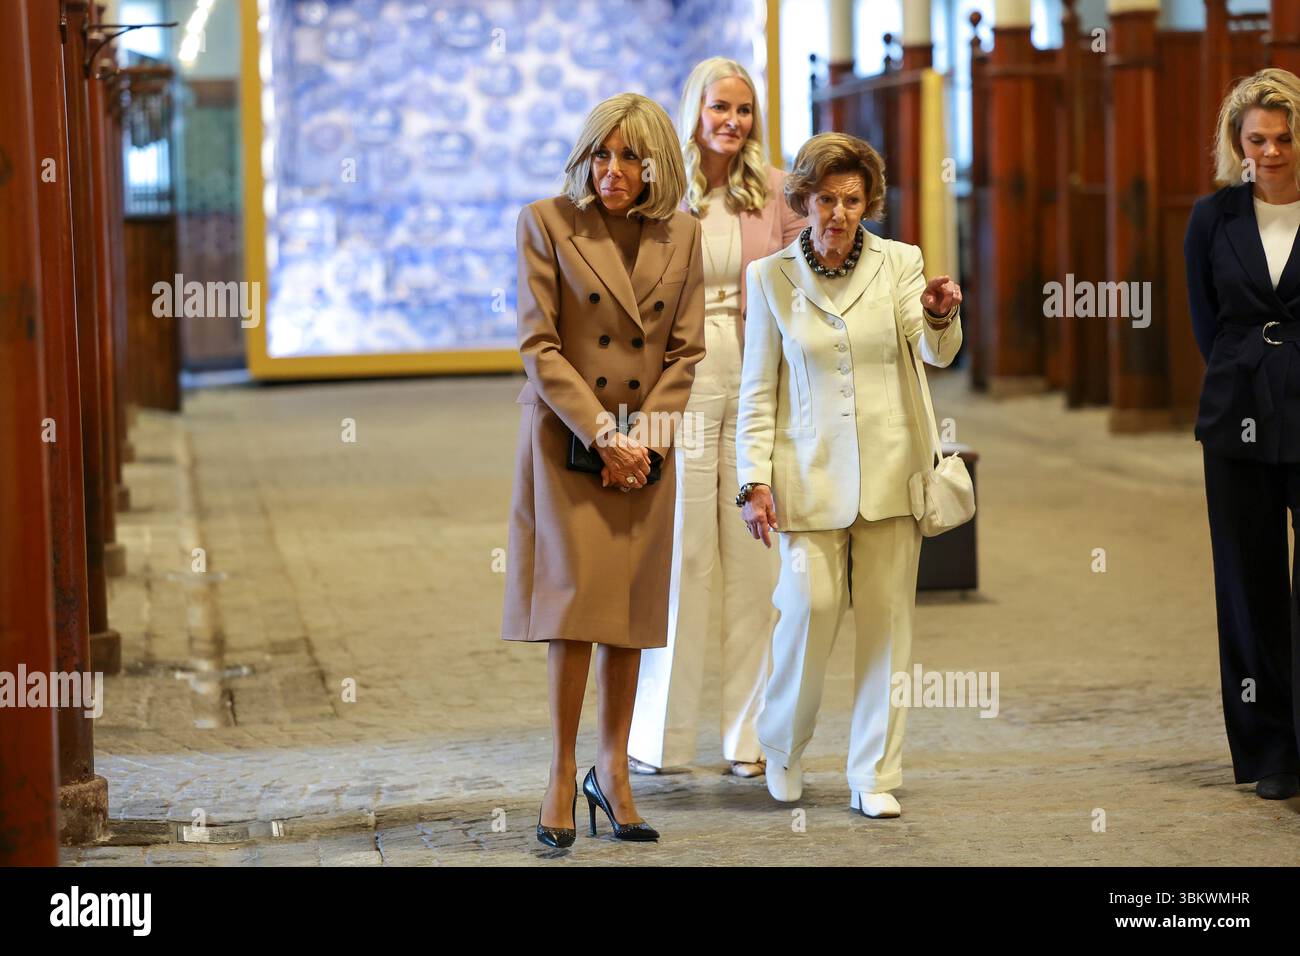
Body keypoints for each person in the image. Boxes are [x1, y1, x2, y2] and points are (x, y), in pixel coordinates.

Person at [734, 132, 962, 818]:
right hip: (807, 478)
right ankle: (782, 743)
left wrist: (939, 314)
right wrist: (753, 479)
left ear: (870, 202)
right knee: (809, 613)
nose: (837, 212)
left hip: (893, 475)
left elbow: (933, 351)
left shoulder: (900, 263)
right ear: (802, 199)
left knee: (889, 628)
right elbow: (756, 390)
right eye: (825, 198)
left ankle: (874, 774)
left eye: (852, 199)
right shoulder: (770, 276)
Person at [501, 93, 706, 845]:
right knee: (574, 608)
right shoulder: (545, 221)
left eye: (630, 157)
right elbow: (539, 345)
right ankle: (561, 772)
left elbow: (686, 351)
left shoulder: (683, 234)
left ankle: (612, 769)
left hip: (647, 445)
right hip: (567, 440)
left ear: (657, 165)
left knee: (629, 613)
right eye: (602, 153)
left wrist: (645, 440)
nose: (612, 170)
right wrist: (603, 434)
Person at [627, 57, 803, 779]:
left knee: (755, 560)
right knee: (687, 557)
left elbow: (814, 276)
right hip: (690, 381)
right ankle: (660, 740)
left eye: (745, 110)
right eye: (720, 108)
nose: (733, 122)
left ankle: (749, 737)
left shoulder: (779, 193)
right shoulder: (664, 197)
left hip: (760, 381)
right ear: (695, 110)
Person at [1184, 67, 1300, 801]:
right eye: (1257, 138)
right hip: (1237, 417)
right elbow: (1205, 321)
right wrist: (1245, 373)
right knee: (1248, 586)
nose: (1272, 151)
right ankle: (1270, 751)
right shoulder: (1212, 217)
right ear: (1238, 142)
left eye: (1285, 137)